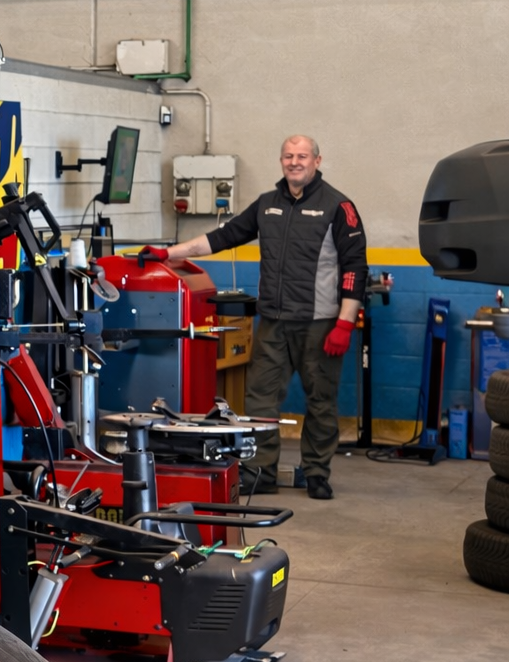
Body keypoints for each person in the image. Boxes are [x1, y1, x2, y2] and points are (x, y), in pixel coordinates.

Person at [142, 135, 368, 500]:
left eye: (302, 156)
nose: (295, 162)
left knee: (321, 401)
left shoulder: (338, 206)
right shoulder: (267, 204)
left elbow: (356, 268)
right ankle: (260, 472)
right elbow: (223, 237)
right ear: (281, 161)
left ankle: (316, 473)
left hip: (319, 324)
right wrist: (169, 253)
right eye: (288, 156)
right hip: (274, 323)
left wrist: (344, 322)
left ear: (317, 160)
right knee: (260, 401)